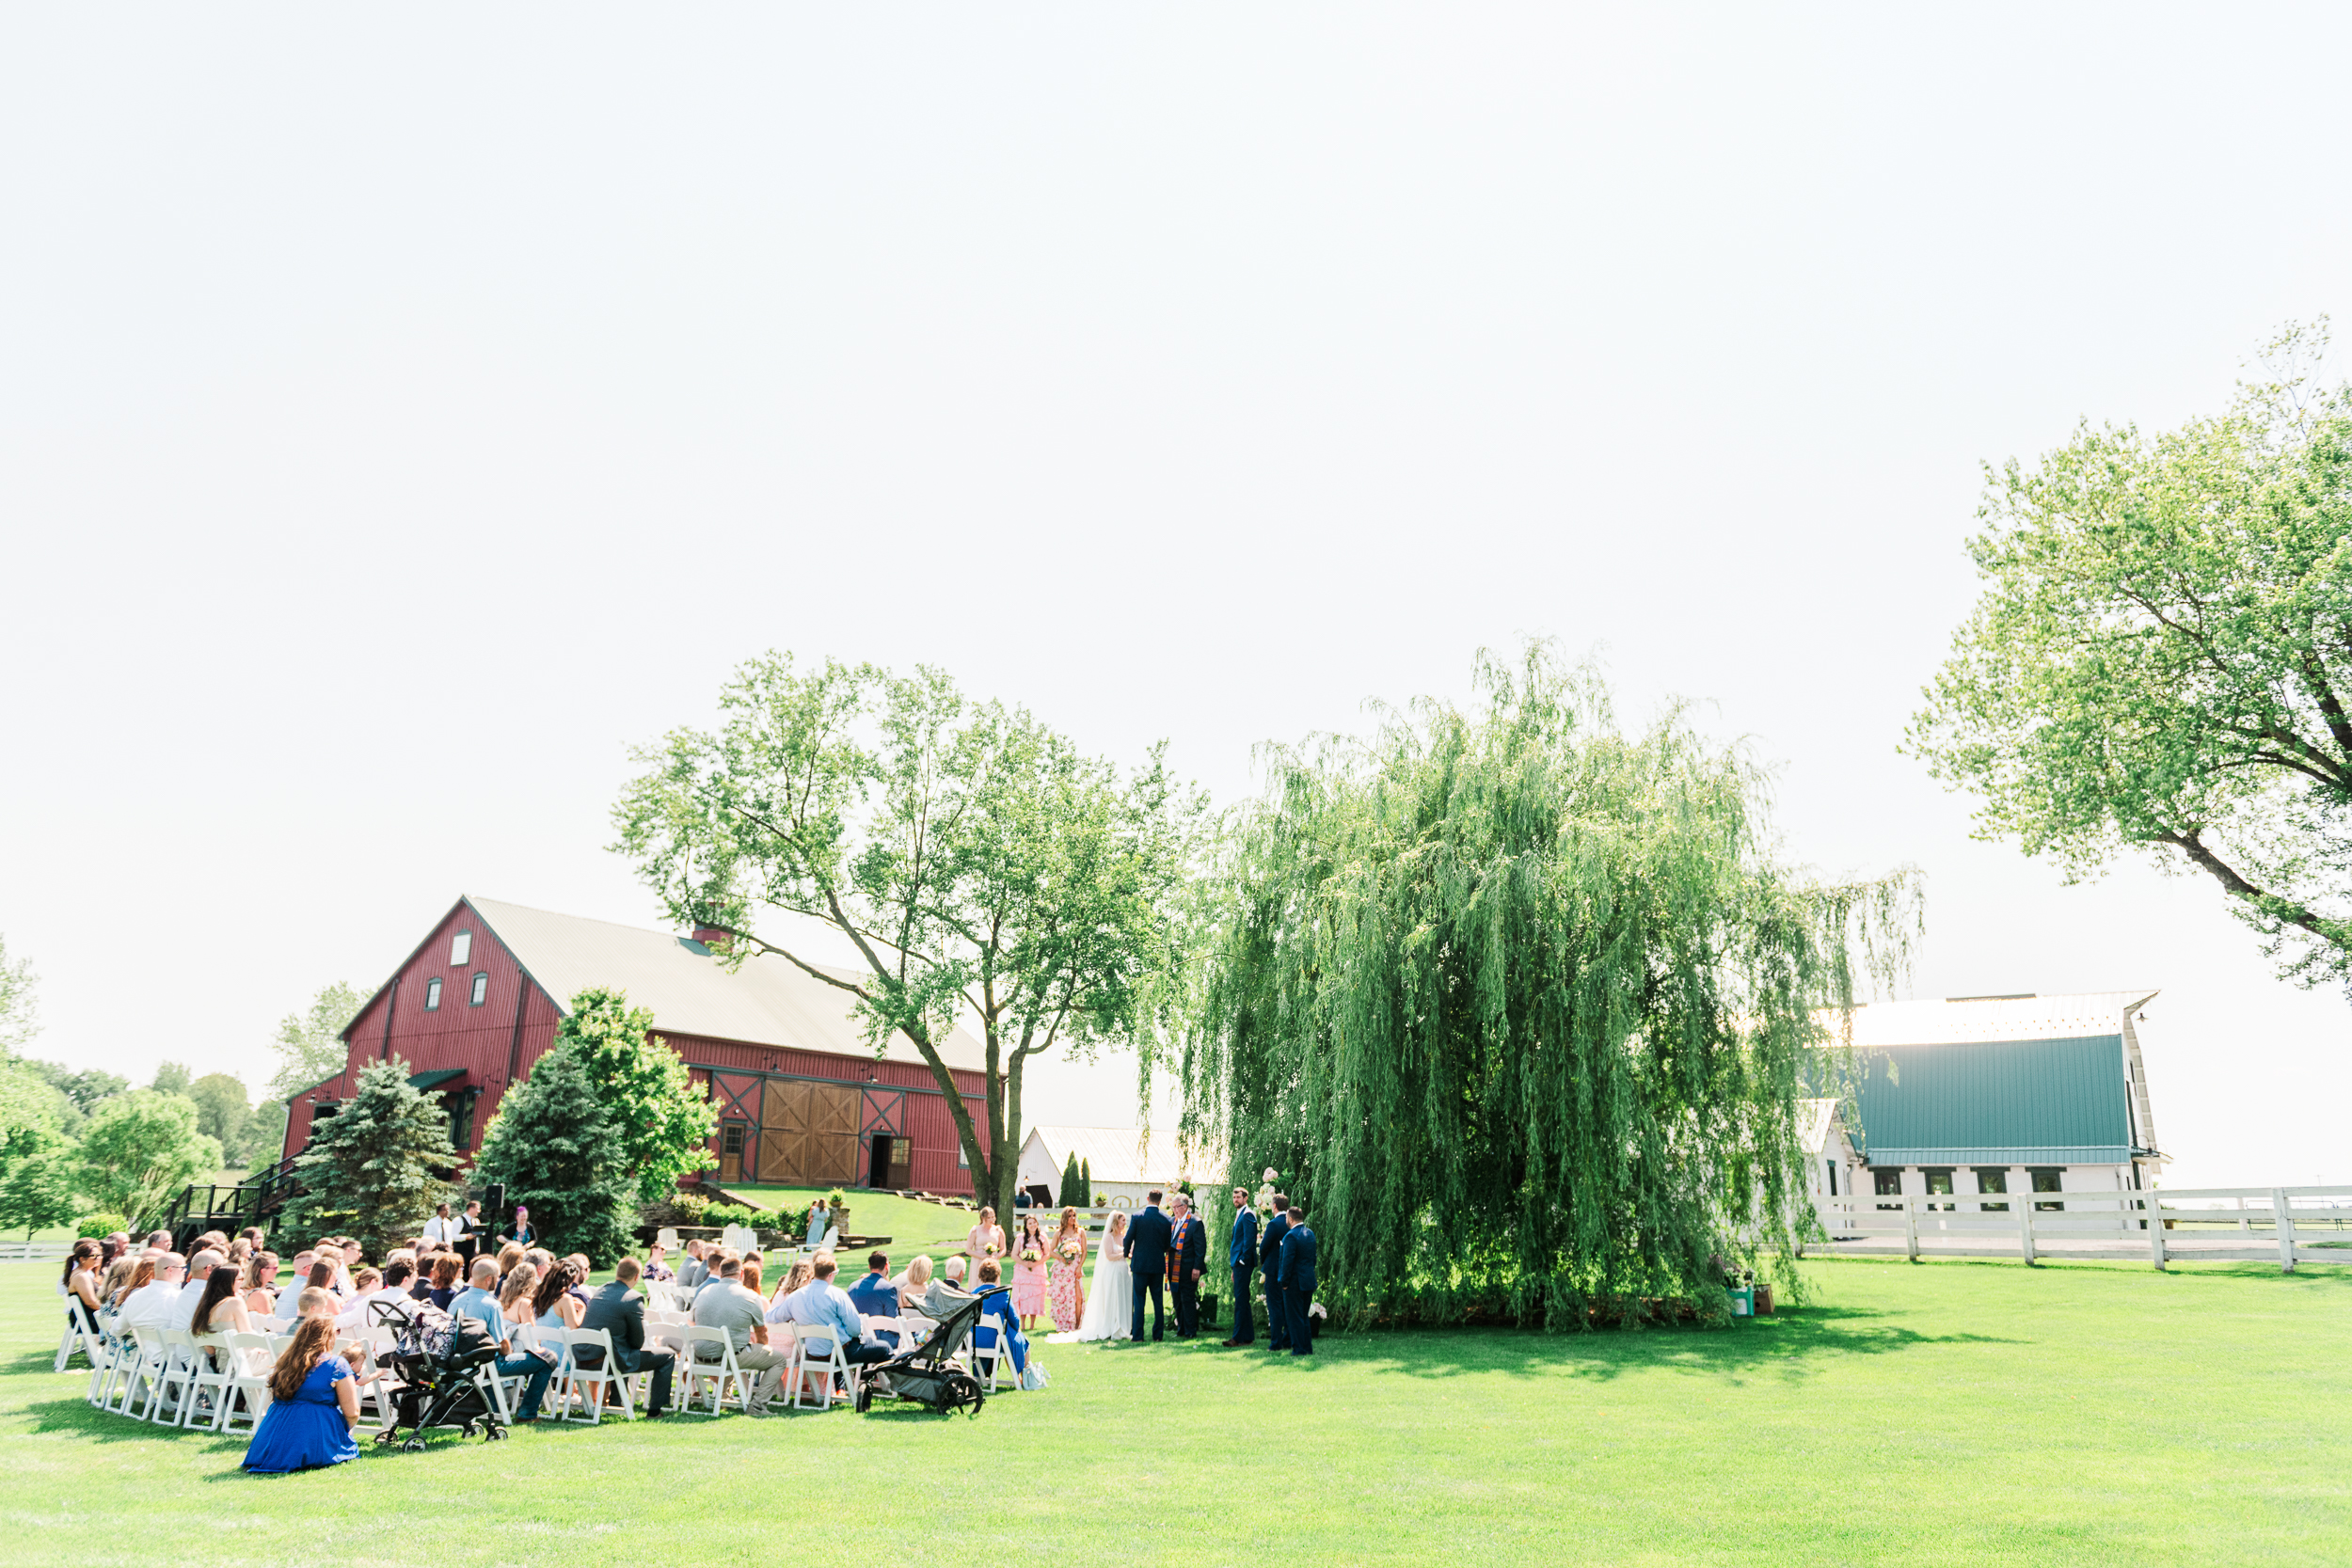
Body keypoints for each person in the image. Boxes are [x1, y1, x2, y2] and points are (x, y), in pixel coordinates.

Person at [242, 1315, 360, 1473]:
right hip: (313, 1435)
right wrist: (343, 1432)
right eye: (336, 1331)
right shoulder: (337, 1364)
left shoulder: (284, 1360)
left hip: (272, 1438)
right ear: (328, 1335)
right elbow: (352, 1412)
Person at [451, 1257, 555, 1421]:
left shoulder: (456, 1301)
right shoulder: (490, 1304)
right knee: (548, 1358)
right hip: (489, 1364)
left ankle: (495, 1408)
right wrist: (511, 1351)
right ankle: (527, 1413)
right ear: (489, 1279)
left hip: (462, 1364)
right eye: (498, 1277)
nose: (499, 1280)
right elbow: (502, 1344)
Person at [782, 1253, 891, 1397]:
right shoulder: (836, 1294)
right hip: (838, 1354)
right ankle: (899, 1388)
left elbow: (774, 1316)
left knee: (861, 1343)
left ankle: (841, 1389)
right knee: (884, 1348)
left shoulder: (797, 1296)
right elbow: (854, 1328)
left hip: (813, 1354)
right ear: (831, 1274)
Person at [691, 1255, 788, 1415]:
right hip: (729, 1356)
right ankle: (757, 1406)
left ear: (721, 1273)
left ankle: (724, 1398)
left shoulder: (703, 1292)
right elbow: (761, 1332)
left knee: (732, 1348)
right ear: (742, 1273)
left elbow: (691, 1322)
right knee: (778, 1360)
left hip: (700, 1356)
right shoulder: (749, 1296)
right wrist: (762, 1351)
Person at [580, 1258, 675, 1416]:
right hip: (609, 1361)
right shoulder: (633, 1298)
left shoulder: (600, 1292)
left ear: (618, 1273)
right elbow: (638, 1342)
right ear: (637, 1277)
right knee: (667, 1355)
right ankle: (655, 1410)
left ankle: (617, 1403)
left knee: (622, 1348)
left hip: (584, 1357)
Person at [1073, 1211, 1131, 1341]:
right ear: (1116, 1222)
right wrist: (1124, 1253)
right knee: (1113, 1297)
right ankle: (1111, 1326)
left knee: (1123, 1297)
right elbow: (1109, 1256)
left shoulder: (1124, 1236)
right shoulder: (1108, 1238)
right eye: (1123, 1220)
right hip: (1113, 1271)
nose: (1125, 1223)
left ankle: (1123, 1326)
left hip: (1124, 1270)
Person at [1126, 1193, 1172, 1342]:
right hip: (1157, 1265)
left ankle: (1138, 1336)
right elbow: (1167, 1244)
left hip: (1140, 1265)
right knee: (1157, 1301)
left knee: (1139, 1301)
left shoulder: (1137, 1217)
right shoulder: (1166, 1219)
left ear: (1148, 1199)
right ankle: (1158, 1335)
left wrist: (1126, 1253)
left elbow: (1128, 1238)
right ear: (1160, 1201)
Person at [971, 1259, 1028, 1379]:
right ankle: (1023, 1377)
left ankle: (982, 1376)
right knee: (1020, 1339)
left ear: (981, 1275)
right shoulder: (1002, 1294)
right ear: (997, 1275)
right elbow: (1015, 1321)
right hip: (994, 1342)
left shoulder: (973, 1294)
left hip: (974, 1341)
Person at [1220, 1186, 1262, 1348]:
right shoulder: (1240, 1214)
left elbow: (1250, 1240)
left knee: (1240, 1300)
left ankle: (1236, 1338)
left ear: (1245, 1198)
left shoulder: (1248, 1214)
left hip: (1243, 1263)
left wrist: (1242, 1261)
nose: (1235, 1200)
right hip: (1238, 1264)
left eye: (1238, 1197)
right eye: (1234, 1197)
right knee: (1243, 1299)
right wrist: (1234, 1267)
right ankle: (1248, 1336)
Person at [1276, 1202, 1317, 1357]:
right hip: (1308, 1280)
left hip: (1294, 1282)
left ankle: (1299, 1348)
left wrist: (1284, 1282)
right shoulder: (1310, 1233)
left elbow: (1287, 1261)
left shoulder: (1290, 1236)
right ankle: (1307, 1347)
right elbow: (1313, 1259)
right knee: (1304, 1316)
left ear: (1291, 1218)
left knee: (1294, 1317)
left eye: (1286, 1217)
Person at [1166, 1195, 1206, 1339]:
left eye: (1176, 1207)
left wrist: (1197, 1267)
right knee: (1177, 1299)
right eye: (1173, 1207)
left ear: (1185, 1207)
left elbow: (1200, 1248)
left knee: (1187, 1299)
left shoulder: (1195, 1223)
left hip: (1189, 1268)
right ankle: (1181, 1329)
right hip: (1173, 1268)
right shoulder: (1173, 1222)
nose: (1174, 1210)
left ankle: (1190, 1330)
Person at [119, 1253, 187, 1334]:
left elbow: (117, 1330)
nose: (185, 1270)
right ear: (170, 1270)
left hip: (143, 1346)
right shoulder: (180, 1297)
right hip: (170, 1346)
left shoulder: (134, 1297)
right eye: (182, 1267)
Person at [846, 1251, 900, 1349]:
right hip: (880, 1340)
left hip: (856, 1340)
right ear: (887, 1266)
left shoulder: (852, 1287)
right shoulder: (888, 1288)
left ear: (869, 1266)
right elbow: (894, 1323)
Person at [1046, 1207, 1088, 1334]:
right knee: (1063, 1297)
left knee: (1078, 1297)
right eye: (1069, 1216)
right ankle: (1063, 1323)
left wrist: (1079, 1266)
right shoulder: (1059, 1233)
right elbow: (1050, 1251)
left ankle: (1077, 1324)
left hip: (1075, 1267)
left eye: (1074, 1215)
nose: (1072, 1218)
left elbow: (1084, 1251)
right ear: (1065, 1218)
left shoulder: (1080, 1232)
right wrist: (1061, 1257)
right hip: (1062, 1269)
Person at [1260, 1195, 1294, 1353]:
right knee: (1287, 1305)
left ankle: (1275, 1343)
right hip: (1289, 1270)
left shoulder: (1273, 1224)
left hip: (1273, 1271)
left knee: (1274, 1307)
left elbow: (1264, 1247)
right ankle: (1288, 1340)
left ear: (1274, 1206)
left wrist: (1264, 1262)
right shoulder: (1292, 1223)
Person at [185, 1259, 252, 1336]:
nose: (243, 1282)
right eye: (240, 1279)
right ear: (228, 1282)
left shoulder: (205, 1306)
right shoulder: (235, 1303)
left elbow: (208, 1347)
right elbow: (248, 1336)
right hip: (236, 1347)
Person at [1010, 1216, 1049, 1330]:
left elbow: (1047, 1254)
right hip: (1023, 1272)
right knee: (1023, 1297)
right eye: (1030, 1223)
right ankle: (1022, 1323)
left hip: (1037, 1271)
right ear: (1026, 1226)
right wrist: (1024, 1263)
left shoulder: (1042, 1237)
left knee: (1035, 1297)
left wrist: (1036, 1263)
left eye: (1034, 1222)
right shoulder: (1020, 1238)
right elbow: (1014, 1254)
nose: (1033, 1225)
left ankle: (1032, 1324)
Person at [532, 1261, 588, 1329]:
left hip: (541, 1339)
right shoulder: (564, 1299)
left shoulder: (539, 1296)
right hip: (558, 1339)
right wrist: (582, 1310)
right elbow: (573, 1329)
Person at [964, 1206, 1005, 1287]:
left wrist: (996, 1257)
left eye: (993, 1217)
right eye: (989, 1217)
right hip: (978, 1261)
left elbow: (1003, 1249)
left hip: (992, 1261)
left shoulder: (998, 1230)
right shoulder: (975, 1230)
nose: (992, 1220)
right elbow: (968, 1250)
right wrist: (981, 1256)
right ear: (983, 1218)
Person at [243, 1253, 279, 1317]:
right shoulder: (260, 1294)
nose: (278, 1271)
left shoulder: (247, 1290)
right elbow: (270, 1323)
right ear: (263, 1271)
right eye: (275, 1268)